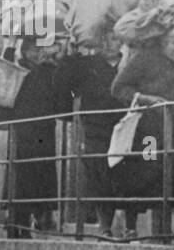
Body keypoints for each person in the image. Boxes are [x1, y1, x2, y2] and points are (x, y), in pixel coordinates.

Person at [111, 18, 174, 242]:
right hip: (148, 127)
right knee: (145, 168)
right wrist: (147, 99)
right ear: (163, 42)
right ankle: (131, 230)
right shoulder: (144, 59)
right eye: (173, 44)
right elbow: (118, 88)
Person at [54, 33, 132, 238]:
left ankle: (130, 228)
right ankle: (104, 227)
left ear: (121, 41)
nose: (108, 44)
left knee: (128, 172)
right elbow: (63, 80)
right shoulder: (88, 64)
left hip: (125, 127)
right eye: (104, 39)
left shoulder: (129, 63)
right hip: (96, 128)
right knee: (98, 175)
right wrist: (69, 52)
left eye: (114, 39)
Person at [0, 40, 62, 238]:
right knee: (20, 178)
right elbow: (3, 78)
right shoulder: (16, 69)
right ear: (26, 51)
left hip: (43, 132)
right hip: (23, 131)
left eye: (39, 50)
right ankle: (17, 224)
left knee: (38, 177)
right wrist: (10, 45)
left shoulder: (47, 71)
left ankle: (38, 220)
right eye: (33, 50)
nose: (36, 53)